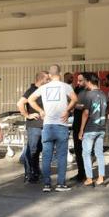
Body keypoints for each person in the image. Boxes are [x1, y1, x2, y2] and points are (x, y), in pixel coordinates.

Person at [28, 64, 78, 192]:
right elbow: (74, 99)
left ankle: (47, 185)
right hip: (61, 125)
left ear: (49, 75)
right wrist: (67, 110)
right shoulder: (66, 86)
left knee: (46, 156)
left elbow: (30, 99)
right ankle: (61, 184)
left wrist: (40, 111)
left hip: (48, 126)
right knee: (61, 156)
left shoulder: (44, 87)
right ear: (60, 74)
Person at [17, 71, 49, 183]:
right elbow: (20, 103)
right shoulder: (32, 90)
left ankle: (36, 171)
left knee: (39, 149)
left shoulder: (45, 90)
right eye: (47, 79)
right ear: (41, 79)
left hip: (44, 125)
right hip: (34, 126)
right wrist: (27, 115)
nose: (48, 81)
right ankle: (29, 173)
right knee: (32, 149)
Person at [78, 72, 108, 187]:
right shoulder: (104, 94)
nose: (83, 83)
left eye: (84, 80)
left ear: (89, 81)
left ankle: (89, 178)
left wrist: (81, 130)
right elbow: (105, 111)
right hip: (101, 127)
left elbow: (85, 113)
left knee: (86, 153)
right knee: (99, 153)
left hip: (90, 128)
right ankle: (101, 178)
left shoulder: (88, 95)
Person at [70, 73, 87, 182]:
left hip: (85, 124)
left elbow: (86, 107)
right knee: (78, 150)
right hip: (76, 123)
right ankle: (81, 173)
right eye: (77, 80)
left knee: (86, 150)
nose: (78, 82)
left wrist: (72, 105)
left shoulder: (90, 92)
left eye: (80, 80)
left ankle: (86, 174)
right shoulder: (77, 89)